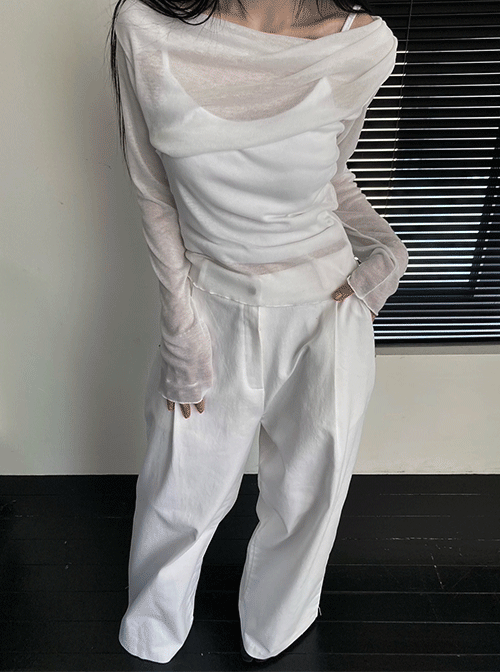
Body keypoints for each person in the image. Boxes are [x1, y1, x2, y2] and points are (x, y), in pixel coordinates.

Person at [108, 0, 408, 663]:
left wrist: (389, 250)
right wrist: (181, 331)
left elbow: (330, 176)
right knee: (180, 490)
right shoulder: (144, 28)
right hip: (211, 300)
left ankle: (278, 626)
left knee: (310, 493)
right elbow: (153, 193)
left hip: (327, 304)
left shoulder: (363, 45)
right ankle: (153, 629)